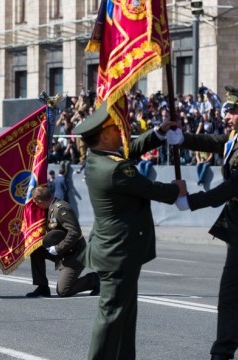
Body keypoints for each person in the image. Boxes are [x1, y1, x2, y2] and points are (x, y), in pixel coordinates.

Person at [167, 86, 238, 360]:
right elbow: (215, 142)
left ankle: (222, 353)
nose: (227, 116)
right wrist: (183, 139)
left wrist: (191, 202)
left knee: (231, 293)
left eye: (233, 111)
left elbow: (233, 186)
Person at [73, 105, 186, 360]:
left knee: (123, 318)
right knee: (112, 317)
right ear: (103, 136)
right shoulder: (115, 169)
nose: (121, 130)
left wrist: (158, 133)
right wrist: (176, 189)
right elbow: (149, 188)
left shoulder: (97, 159)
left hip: (116, 251)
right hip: (118, 253)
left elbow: (128, 151)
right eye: (115, 128)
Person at [25, 185, 99, 298]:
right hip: (63, 251)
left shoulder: (61, 208)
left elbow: (75, 232)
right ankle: (42, 287)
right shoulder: (50, 208)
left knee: (63, 291)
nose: (35, 204)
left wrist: (57, 248)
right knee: (36, 250)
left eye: (36, 202)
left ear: (40, 200)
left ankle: (95, 280)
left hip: (75, 254)